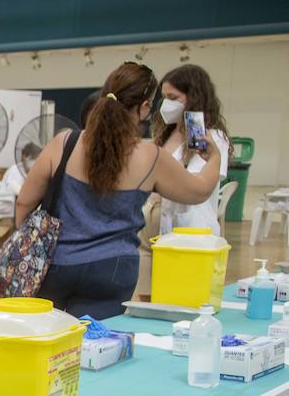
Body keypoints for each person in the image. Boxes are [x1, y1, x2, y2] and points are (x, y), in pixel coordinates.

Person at [16, 62, 223, 320]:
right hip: (112, 269)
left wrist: (29, 245)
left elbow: (24, 202)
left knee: (45, 337)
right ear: (145, 107)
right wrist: (213, 157)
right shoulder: (150, 156)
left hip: (56, 263)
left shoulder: (64, 143)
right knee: (96, 346)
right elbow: (199, 190)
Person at [152, 64, 231, 236]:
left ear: (194, 97)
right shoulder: (165, 134)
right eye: (164, 97)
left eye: (173, 97)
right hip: (163, 228)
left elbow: (194, 183)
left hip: (194, 229)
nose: (166, 103)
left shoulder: (212, 138)